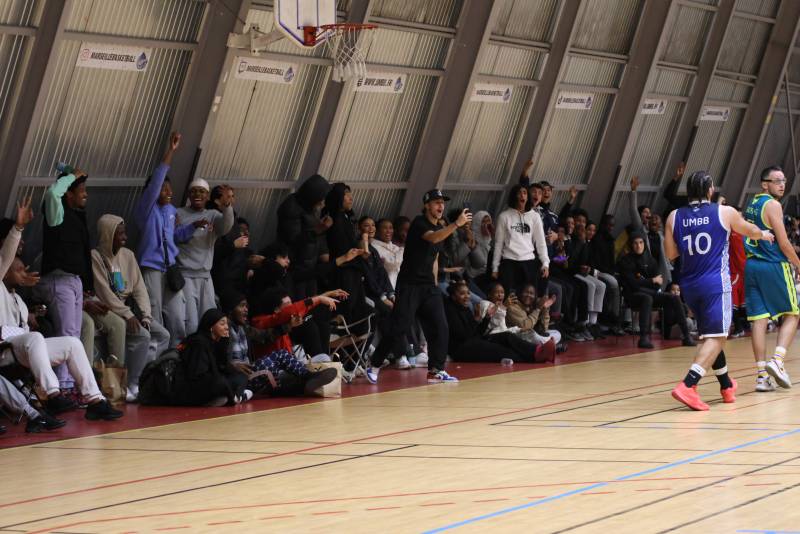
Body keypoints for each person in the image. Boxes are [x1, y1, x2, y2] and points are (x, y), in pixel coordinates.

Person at [1, 198, 122, 420]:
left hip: (22, 349)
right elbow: (5, 256)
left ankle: (94, 400)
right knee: (35, 337)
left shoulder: (18, 299)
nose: (24, 271)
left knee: (72, 343)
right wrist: (18, 228)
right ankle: (52, 395)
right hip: (3, 351)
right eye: (17, 269)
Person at [665, 171, 773, 410]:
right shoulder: (724, 212)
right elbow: (749, 231)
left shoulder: (674, 216)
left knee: (710, 335)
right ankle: (688, 385)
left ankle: (726, 385)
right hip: (715, 283)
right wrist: (764, 234)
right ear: (710, 190)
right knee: (718, 337)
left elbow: (671, 254)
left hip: (689, 285)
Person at [366, 190, 472, 384]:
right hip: (409, 284)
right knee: (400, 326)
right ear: (427, 206)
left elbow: (435, 257)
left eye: (442, 203)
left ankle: (436, 370)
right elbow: (433, 238)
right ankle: (374, 363)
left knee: (441, 326)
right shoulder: (419, 223)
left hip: (428, 286)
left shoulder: (440, 226)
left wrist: (433, 284)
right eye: (436, 202)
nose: (441, 206)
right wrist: (456, 224)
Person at [91, 214, 170, 402]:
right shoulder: (95, 256)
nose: (125, 237)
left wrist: (145, 315)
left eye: (124, 233)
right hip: (109, 308)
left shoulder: (128, 255)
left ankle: (144, 377)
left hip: (127, 308)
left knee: (162, 335)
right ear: (107, 235)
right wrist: (127, 315)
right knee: (142, 335)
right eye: (119, 234)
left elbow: (139, 288)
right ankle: (132, 383)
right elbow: (104, 293)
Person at [134, 132, 195, 347]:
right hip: (151, 267)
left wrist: (192, 228)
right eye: (164, 188)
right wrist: (172, 150)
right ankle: (154, 359)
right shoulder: (146, 208)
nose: (169, 192)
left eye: (170, 188)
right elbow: (158, 176)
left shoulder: (170, 210)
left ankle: (174, 356)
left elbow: (174, 236)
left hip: (171, 267)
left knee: (177, 315)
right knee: (155, 313)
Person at [743, 166, 800, 392]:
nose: (782, 184)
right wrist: (798, 263)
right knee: (793, 314)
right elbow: (784, 244)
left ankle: (761, 377)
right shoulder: (773, 205)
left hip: (752, 266)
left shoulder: (752, 204)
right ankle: (777, 360)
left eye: (783, 180)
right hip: (773, 265)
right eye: (776, 181)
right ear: (764, 184)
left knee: (759, 319)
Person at [219, 291, 338, 397]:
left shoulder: (243, 328)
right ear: (230, 309)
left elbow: (265, 336)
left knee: (282, 354)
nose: (246, 309)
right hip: (239, 378)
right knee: (269, 365)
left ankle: (309, 377)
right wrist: (232, 365)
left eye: (246, 306)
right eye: (242, 306)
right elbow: (218, 360)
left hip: (256, 372)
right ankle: (300, 386)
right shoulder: (230, 328)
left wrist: (289, 326)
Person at [175, 179, 234, 338]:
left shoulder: (212, 215)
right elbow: (174, 237)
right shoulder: (178, 213)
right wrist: (192, 226)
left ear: (208, 196)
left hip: (205, 278)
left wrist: (227, 206)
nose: (197, 194)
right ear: (188, 194)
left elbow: (225, 227)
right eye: (194, 191)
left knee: (213, 321)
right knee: (192, 324)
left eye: (202, 191)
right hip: (185, 275)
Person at [443, 281, 552, 363]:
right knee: (502, 350)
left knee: (507, 336)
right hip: (461, 349)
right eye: (462, 294)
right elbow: (463, 336)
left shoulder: (465, 308)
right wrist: (477, 320)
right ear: (453, 296)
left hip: (475, 341)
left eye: (468, 293)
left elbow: (479, 332)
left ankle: (538, 350)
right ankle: (536, 357)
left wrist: (486, 318)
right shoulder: (450, 310)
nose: (467, 296)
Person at [618, 233, 694, 349]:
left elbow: (658, 283)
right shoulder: (625, 261)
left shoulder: (650, 260)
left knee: (673, 297)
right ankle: (644, 338)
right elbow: (633, 284)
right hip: (632, 295)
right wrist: (651, 280)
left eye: (641, 242)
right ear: (631, 245)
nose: (638, 246)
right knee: (646, 298)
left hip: (650, 293)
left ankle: (687, 336)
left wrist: (646, 283)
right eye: (635, 243)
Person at [169, 308, 251, 406]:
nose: (226, 327)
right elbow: (197, 376)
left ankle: (232, 398)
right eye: (222, 324)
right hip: (191, 387)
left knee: (240, 376)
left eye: (227, 324)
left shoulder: (216, 341)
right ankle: (234, 398)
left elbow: (223, 366)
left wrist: (224, 342)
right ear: (211, 326)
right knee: (220, 382)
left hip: (211, 382)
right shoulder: (199, 343)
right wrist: (221, 381)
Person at [276, 174, 332, 300]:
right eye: (321, 198)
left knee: (311, 302)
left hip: (309, 263)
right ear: (313, 196)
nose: (323, 202)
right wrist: (319, 230)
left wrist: (323, 250)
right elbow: (293, 239)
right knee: (300, 303)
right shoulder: (291, 207)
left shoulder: (309, 206)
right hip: (296, 265)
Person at [491, 184, 549, 296]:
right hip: (509, 262)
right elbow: (498, 244)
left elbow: (541, 242)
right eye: (519, 193)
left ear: (527, 197)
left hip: (529, 262)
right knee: (508, 298)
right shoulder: (504, 216)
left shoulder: (535, 216)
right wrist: (495, 267)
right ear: (514, 196)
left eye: (525, 192)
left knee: (528, 297)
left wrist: (545, 263)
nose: (522, 195)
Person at [372, 219, 403, 289]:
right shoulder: (374, 247)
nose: (389, 231)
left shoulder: (395, 247)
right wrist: (403, 250)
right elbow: (392, 264)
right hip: (383, 288)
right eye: (385, 228)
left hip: (397, 288)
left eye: (390, 228)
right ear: (377, 231)